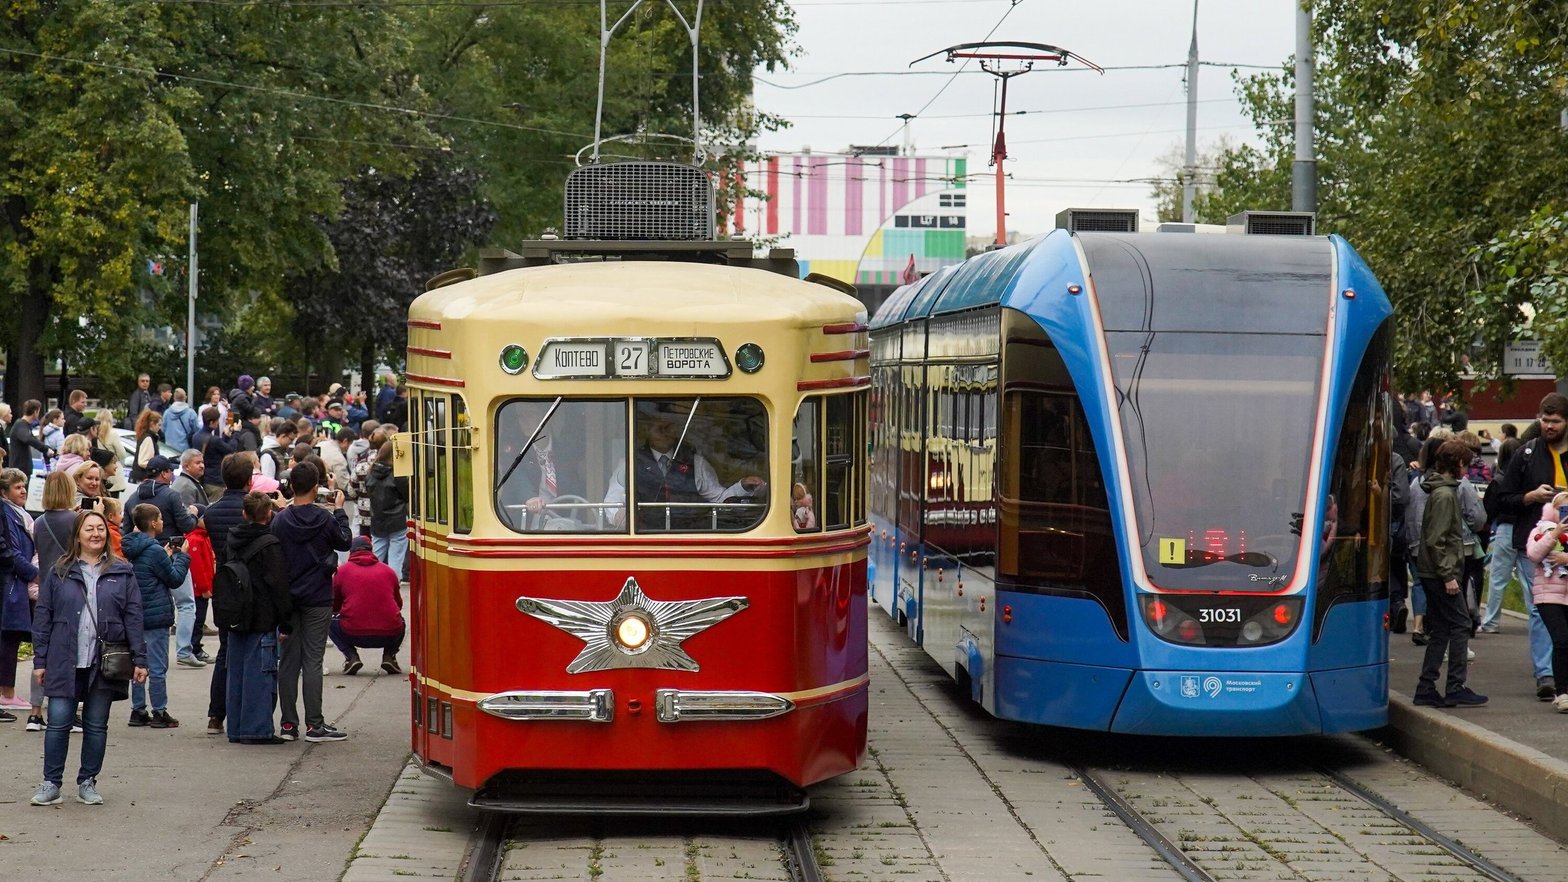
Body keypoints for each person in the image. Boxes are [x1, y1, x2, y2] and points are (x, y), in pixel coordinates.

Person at [29, 509, 148, 806]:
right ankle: (50, 783)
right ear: (77, 536)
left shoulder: (122, 571)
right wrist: (39, 661)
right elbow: (43, 616)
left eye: (100, 528)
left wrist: (140, 659)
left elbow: (134, 616)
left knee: (96, 725)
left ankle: (87, 781)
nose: (96, 534)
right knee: (58, 722)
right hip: (62, 658)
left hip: (103, 660)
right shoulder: (59, 571)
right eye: (89, 529)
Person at [1488, 393, 1568, 701]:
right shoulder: (1526, 454)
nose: (1548, 426)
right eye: (1544, 420)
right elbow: (1503, 497)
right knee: (1538, 608)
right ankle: (1545, 674)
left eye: (1555, 421)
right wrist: (1530, 497)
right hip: (1534, 545)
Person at [271, 462, 351, 742]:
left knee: (288, 661)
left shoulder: (280, 520)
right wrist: (340, 510)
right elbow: (344, 543)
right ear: (317, 487)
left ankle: (288, 724)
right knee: (313, 660)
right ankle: (315, 724)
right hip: (318, 594)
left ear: (291, 486)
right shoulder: (325, 519)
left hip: (289, 598)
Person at [1413, 440, 1487, 708]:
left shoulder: (1440, 490)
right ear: (1458, 464)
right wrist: (1448, 575)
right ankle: (1455, 686)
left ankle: (1427, 686)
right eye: (1465, 464)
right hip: (1441, 572)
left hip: (1433, 572)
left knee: (1443, 628)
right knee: (1460, 624)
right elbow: (1437, 540)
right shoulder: (1445, 495)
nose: (1467, 470)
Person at [603, 411, 766, 531]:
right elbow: (612, 501)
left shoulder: (696, 462)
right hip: (646, 538)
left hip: (688, 537)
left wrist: (742, 486)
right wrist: (620, 517)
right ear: (647, 431)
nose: (665, 433)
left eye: (669, 428)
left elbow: (720, 499)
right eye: (659, 428)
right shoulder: (630, 462)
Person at [220, 492, 292, 744]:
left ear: (244, 513)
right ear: (268, 515)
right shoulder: (270, 544)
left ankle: (237, 727)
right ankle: (257, 729)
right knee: (260, 675)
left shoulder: (232, 540)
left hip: (236, 614)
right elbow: (278, 584)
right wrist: (286, 620)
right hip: (262, 616)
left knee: (236, 674)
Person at [123, 456, 202, 668]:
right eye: (171, 472)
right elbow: (186, 524)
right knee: (185, 603)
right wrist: (193, 513)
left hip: (140, 559)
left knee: (144, 604)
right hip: (172, 551)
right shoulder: (171, 495)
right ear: (165, 473)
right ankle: (184, 650)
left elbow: (126, 532)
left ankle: (141, 653)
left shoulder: (132, 498)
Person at [123, 504, 190, 728]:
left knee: (138, 663)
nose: (162, 521)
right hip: (155, 614)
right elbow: (174, 579)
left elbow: (150, 569)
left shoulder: (133, 546)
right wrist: (181, 557)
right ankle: (159, 710)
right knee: (157, 666)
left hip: (135, 614)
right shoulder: (153, 550)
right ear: (153, 523)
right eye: (160, 518)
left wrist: (167, 555)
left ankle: (138, 709)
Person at [201, 454, 254, 737]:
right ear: (249, 480)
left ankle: (215, 714)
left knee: (225, 650)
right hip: (251, 584)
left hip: (224, 582)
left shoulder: (212, 512)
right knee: (254, 649)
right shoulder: (254, 508)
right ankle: (245, 711)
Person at [329, 536, 404, 675]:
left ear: (351, 552)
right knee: (401, 621)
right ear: (372, 551)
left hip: (352, 632)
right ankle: (389, 656)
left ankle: (351, 656)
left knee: (327, 620)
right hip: (389, 632)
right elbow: (398, 604)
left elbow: (334, 604)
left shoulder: (342, 572)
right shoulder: (388, 571)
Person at [0, 469, 39, 719]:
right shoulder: (6, 513)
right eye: (17, 487)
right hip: (12, 583)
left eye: (24, 485)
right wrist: (34, 574)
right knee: (9, 639)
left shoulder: (18, 513)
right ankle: (6, 693)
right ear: (4, 492)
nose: (23, 490)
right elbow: (11, 552)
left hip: (16, 582)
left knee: (11, 639)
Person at [1526, 492, 1568, 713]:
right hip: (1549, 594)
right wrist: (1555, 535)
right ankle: (1562, 693)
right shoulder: (1540, 530)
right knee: (1561, 640)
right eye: (1562, 510)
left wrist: (1566, 558)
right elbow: (1534, 554)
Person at [367, 440, 408, 578]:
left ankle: (372, 582)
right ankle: (393, 585)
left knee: (376, 556)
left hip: (377, 519)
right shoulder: (397, 474)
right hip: (398, 519)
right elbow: (407, 495)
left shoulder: (370, 472)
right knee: (396, 558)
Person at [193, 406, 236, 503]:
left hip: (203, 479)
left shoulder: (196, 436)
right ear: (212, 422)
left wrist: (225, 436)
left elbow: (219, 448)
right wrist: (235, 434)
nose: (218, 423)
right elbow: (231, 450)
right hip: (215, 481)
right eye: (217, 421)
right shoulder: (214, 440)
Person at [9, 400, 52, 478]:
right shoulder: (21, 425)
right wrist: (45, 449)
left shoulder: (25, 425)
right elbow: (28, 439)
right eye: (39, 411)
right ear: (35, 411)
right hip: (19, 471)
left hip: (22, 469)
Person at [130, 409, 162, 483]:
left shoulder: (144, 436)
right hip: (143, 478)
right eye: (159, 425)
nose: (160, 428)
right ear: (152, 424)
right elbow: (143, 462)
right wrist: (159, 466)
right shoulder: (148, 438)